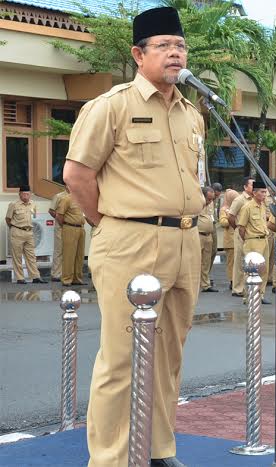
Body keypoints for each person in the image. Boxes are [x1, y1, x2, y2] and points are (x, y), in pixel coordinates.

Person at [62, 7, 202, 466]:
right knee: (122, 359)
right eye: (164, 46)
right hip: (131, 241)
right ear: (138, 54)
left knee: (167, 357)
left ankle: (157, 449)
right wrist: (107, 224)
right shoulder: (111, 106)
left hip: (184, 240)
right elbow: (78, 174)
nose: (175, 54)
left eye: (180, 46)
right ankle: (110, 459)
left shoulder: (192, 113)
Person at [237, 180, 271, 304]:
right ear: (255, 193)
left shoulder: (263, 206)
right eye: (262, 192)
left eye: (265, 192)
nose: (264, 194)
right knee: (252, 270)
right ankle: (249, 296)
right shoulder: (248, 207)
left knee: (264, 269)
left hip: (264, 240)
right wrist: (247, 240)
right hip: (253, 241)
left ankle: (260, 295)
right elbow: (241, 227)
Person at [5, 186, 46, 284]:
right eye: (23, 194)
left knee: (31, 256)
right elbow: (8, 219)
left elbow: (34, 217)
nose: (26, 196)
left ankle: (35, 277)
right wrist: (14, 228)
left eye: (28, 194)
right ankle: (20, 278)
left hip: (29, 232)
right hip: (17, 232)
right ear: (19, 194)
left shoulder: (33, 204)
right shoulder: (13, 205)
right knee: (17, 256)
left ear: (30, 194)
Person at [228, 176, 254, 297]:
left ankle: (248, 288)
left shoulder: (255, 199)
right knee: (239, 261)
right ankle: (237, 289)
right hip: (240, 232)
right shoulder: (239, 200)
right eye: (252, 185)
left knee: (250, 261)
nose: (254, 187)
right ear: (245, 187)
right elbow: (231, 217)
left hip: (251, 234)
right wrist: (237, 229)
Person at [55, 189, 86, 286]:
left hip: (81, 228)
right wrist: (65, 225)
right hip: (70, 227)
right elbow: (59, 216)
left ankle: (77, 279)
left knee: (79, 255)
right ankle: (67, 279)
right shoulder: (66, 199)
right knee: (69, 255)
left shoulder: (82, 199)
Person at [198, 186, 218, 292]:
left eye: (212, 199)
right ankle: (195, 284)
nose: (210, 201)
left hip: (208, 235)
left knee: (206, 261)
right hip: (199, 235)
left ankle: (205, 284)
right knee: (197, 261)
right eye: (208, 199)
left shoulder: (210, 204)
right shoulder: (196, 205)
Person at [219, 189, 238, 289]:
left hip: (238, 238)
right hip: (230, 240)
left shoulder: (237, 208)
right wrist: (229, 217)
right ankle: (232, 280)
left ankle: (238, 280)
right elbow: (223, 223)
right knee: (231, 262)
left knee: (238, 262)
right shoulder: (224, 209)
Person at [49, 188, 68, 282]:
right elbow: (51, 210)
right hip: (60, 227)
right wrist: (59, 219)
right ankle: (55, 274)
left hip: (71, 227)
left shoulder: (76, 195)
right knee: (59, 250)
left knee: (69, 251)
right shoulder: (58, 196)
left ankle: (66, 274)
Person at [209, 182, 223, 284]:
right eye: (216, 195)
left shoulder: (217, 201)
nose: (216, 197)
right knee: (206, 253)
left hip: (214, 226)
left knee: (214, 251)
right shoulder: (206, 200)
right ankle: (204, 277)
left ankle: (206, 275)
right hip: (206, 228)